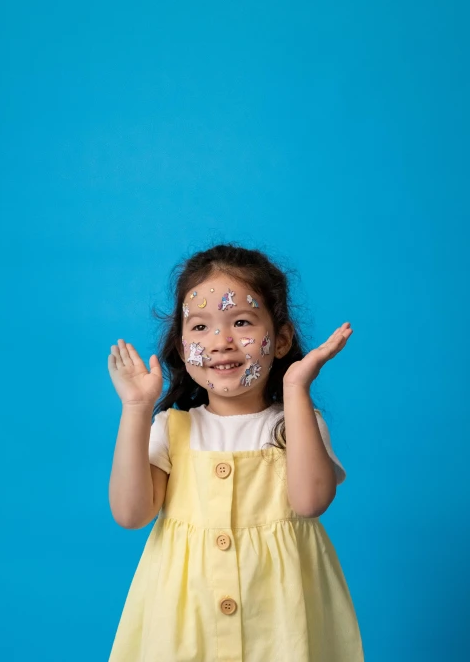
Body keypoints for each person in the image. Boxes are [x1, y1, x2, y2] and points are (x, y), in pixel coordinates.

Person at [107, 243, 364, 661]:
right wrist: (136, 410)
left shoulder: (296, 424)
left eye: (241, 322)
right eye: (200, 327)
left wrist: (297, 389)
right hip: (186, 628)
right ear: (180, 342)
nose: (221, 342)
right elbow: (130, 514)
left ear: (280, 340)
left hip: (279, 627)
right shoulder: (171, 429)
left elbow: (311, 501)